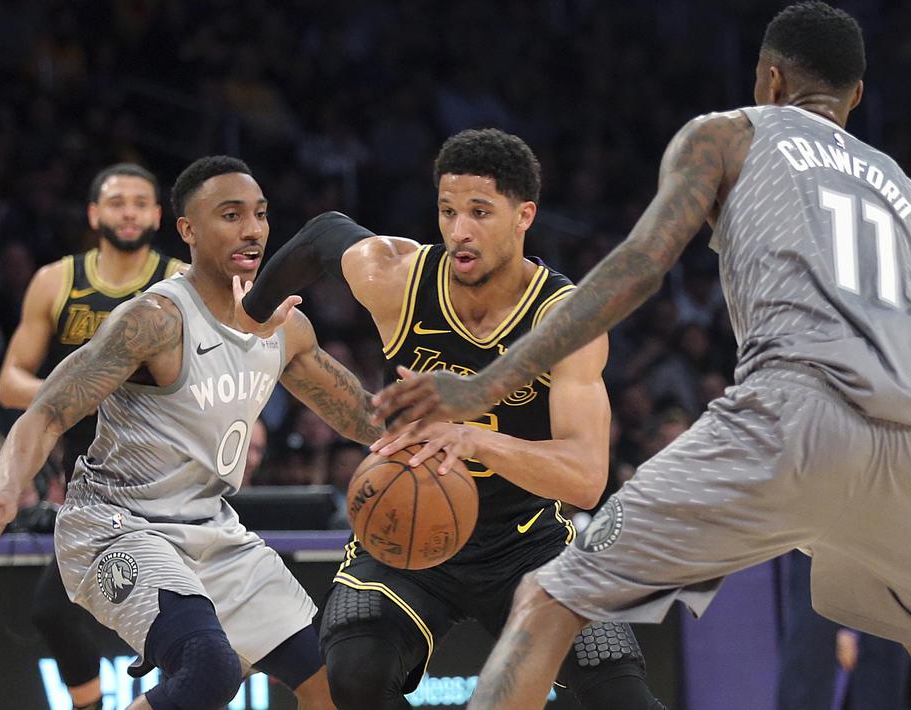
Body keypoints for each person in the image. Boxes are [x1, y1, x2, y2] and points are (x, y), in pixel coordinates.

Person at [373, 4, 911, 709]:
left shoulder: (728, 133)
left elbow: (640, 264)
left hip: (795, 406)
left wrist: (485, 385)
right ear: (855, 96)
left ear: (769, 79)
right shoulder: (909, 198)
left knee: (550, 595)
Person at [242, 128, 661, 709]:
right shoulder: (398, 280)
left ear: (524, 217)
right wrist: (251, 315)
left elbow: (587, 478)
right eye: (447, 211)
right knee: (351, 675)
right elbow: (321, 237)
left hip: (525, 541)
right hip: (403, 535)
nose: (459, 230)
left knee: (620, 692)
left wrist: (469, 439)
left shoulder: (564, 320)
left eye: (480, 212)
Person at [0, 155, 384, 710]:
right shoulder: (154, 320)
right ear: (188, 230)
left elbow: (365, 420)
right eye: (230, 215)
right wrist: (6, 490)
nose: (251, 229)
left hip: (211, 529)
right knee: (210, 669)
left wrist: (456, 419)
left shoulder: (287, 327)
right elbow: (48, 411)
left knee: (337, 685)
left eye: (259, 214)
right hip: (114, 526)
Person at [0, 163, 185, 710]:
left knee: (170, 621)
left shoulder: (182, 281)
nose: (128, 211)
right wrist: (81, 390)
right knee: (53, 612)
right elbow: (8, 382)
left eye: (139, 202)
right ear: (94, 214)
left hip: (168, 474)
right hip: (94, 483)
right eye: (116, 202)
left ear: (156, 216)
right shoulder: (57, 280)